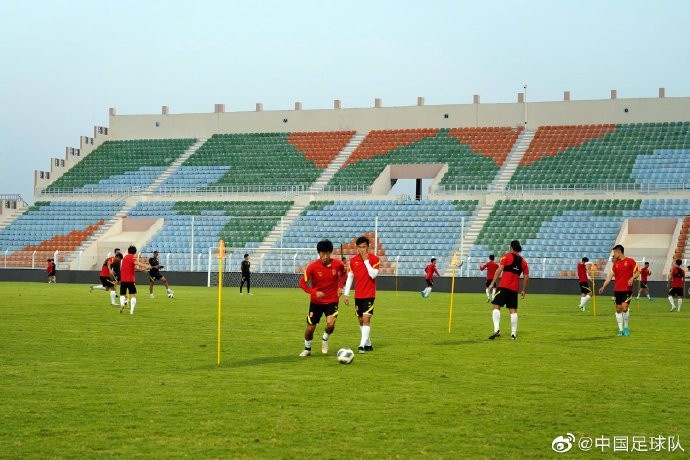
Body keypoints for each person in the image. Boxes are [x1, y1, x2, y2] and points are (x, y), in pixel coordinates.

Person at [298, 239, 347, 357]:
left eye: (327, 253)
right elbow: (302, 283)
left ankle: (325, 339)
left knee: (330, 324)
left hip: (332, 300)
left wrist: (340, 286)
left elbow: (344, 273)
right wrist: (314, 292)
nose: (325, 256)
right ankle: (307, 348)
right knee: (310, 328)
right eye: (322, 253)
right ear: (318, 253)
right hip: (316, 302)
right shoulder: (312, 267)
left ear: (331, 252)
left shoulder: (338, 264)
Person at [343, 236, 380, 353]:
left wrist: (366, 261)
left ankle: (361, 345)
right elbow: (350, 277)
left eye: (364, 247)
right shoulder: (353, 261)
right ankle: (368, 344)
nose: (362, 249)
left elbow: (373, 275)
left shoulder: (374, 259)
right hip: (358, 295)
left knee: (366, 319)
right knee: (360, 320)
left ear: (368, 247)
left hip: (369, 294)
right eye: (359, 247)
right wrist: (346, 294)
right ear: (357, 248)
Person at [487, 240, 529, 340]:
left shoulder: (506, 256)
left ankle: (497, 330)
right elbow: (526, 277)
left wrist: (492, 283)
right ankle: (513, 334)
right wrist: (523, 290)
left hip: (503, 286)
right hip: (514, 289)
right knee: (513, 311)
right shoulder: (523, 261)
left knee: (496, 307)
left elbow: (499, 270)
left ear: (511, 247)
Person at [598, 244, 639, 336]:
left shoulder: (630, 261)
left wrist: (632, 278)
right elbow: (610, 276)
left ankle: (626, 327)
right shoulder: (615, 264)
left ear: (618, 252)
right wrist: (603, 286)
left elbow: (637, 273)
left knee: (625, 307)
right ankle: (620, 330)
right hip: (617, 290)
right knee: (618, 309)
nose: (614, 254)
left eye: (614, 252)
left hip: (627, 289)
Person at [119, 245, 151, 315]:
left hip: (123, 279)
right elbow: (137, 263)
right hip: (130, 280)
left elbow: (132, 267)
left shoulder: (124, 258)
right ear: (135, 252)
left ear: (128, 251)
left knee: (122, 294)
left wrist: (141, 270)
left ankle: (122, 304)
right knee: (133, 295)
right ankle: (131, 311)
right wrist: (146, 266)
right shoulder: (132, 257)